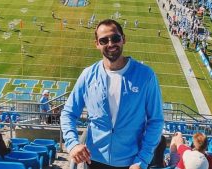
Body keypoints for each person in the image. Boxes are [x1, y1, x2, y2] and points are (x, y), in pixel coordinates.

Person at [60, 19, 164, 169]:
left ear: (124, 39)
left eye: (115, 38)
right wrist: (72, 144)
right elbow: (68, 113)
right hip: (93, 161)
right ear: (97, 44)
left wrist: (143, 159)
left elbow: (156, 120)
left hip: (131, 163)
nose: (110, 44)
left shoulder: (146, 75)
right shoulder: (88, 75)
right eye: (103, 40)